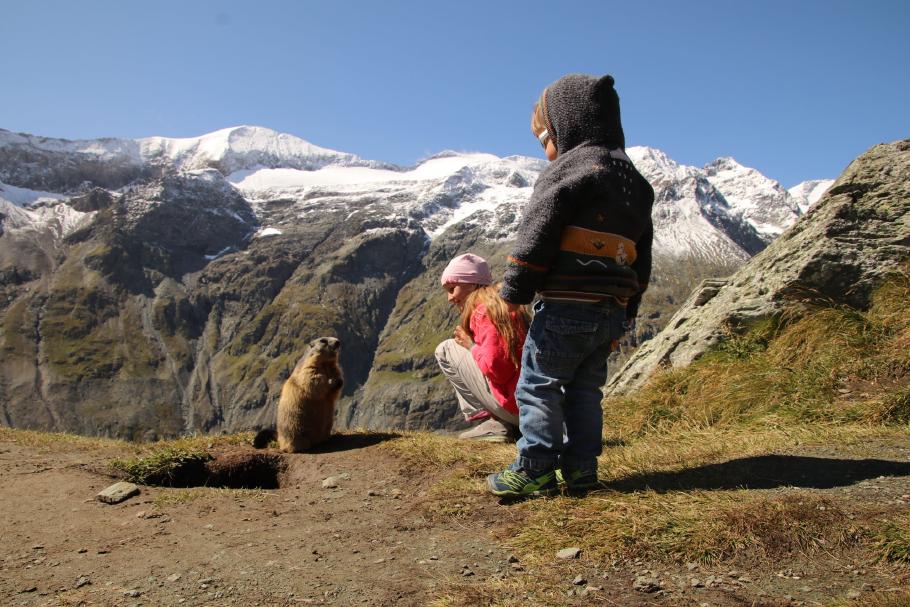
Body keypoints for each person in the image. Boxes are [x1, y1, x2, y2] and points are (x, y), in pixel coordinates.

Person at [486, 74, 655, 497]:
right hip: (610, 310)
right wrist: (629, 308)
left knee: (539, 384)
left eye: (545, 137)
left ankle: (535, 467)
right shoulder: (636, 183)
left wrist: (516, 291)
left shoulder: (569, 170)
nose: (545, 150)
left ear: (569, 123)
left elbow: (538, 232)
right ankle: (582, 470)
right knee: (585, 389)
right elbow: (642, 254)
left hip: (565, 305)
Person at [435, 253, 530, 442]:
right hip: (533, 405)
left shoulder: (482, 311)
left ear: (471, 284)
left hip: (517, 408)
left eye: (452, 288)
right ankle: (505, 424)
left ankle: (494, 423)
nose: (449, 298)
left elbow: (497, 368)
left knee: (446, 349)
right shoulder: (504, 305)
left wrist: (471, 347)